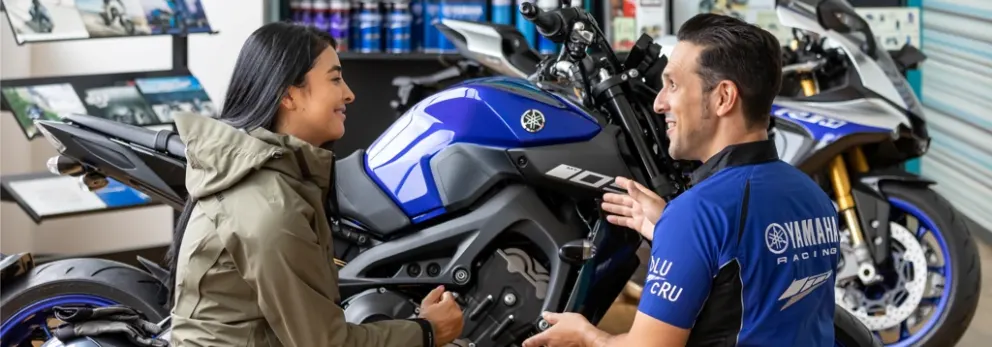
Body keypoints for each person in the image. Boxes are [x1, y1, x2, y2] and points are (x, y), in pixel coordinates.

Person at [522, 13, 841, 347]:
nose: (659, 103)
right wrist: (673, 233)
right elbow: (758, 291)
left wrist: (587, 336)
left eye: (672, 85)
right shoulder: (814, 197)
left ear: (723, 97)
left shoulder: (698, 213)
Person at [165, 22, 464, 347]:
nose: (349, 93)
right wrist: (427, 331)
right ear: (288, 95)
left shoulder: (280, 178)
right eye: (335, 79)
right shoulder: (268, 203)